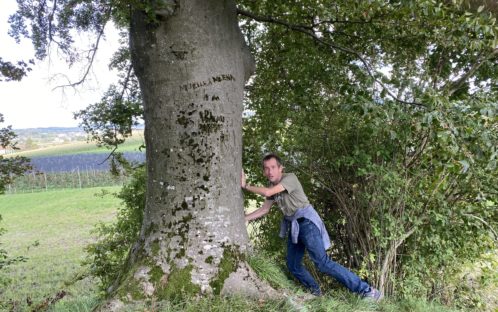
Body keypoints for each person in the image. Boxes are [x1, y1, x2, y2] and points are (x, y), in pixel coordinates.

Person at [241, 153, 382, 301]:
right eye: (266, 168)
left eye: (273, 167)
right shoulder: (271, 186)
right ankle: (315, 293)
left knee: (323, 263)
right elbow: (265, 209)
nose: (269, 172)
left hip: (307, 223)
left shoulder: (290, 178)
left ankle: (368, 291)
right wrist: (243, 218)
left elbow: (268, 192)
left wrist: (245, 186)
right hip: (295, 226)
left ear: (280, 168)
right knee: (293, 264)